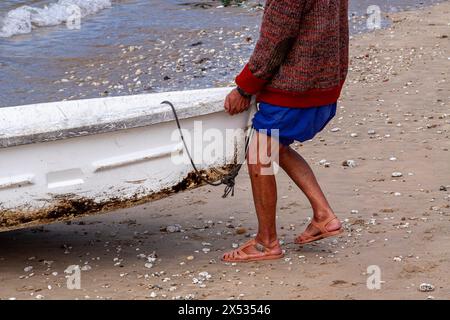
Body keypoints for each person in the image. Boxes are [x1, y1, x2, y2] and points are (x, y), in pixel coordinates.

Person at [222, 0, 349, 262]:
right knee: (276, 146)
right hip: (325, 82)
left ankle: (266, 243)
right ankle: (324, 216)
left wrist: (245, 87)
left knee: (259, 155)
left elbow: (276, 38)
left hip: (296, 86)